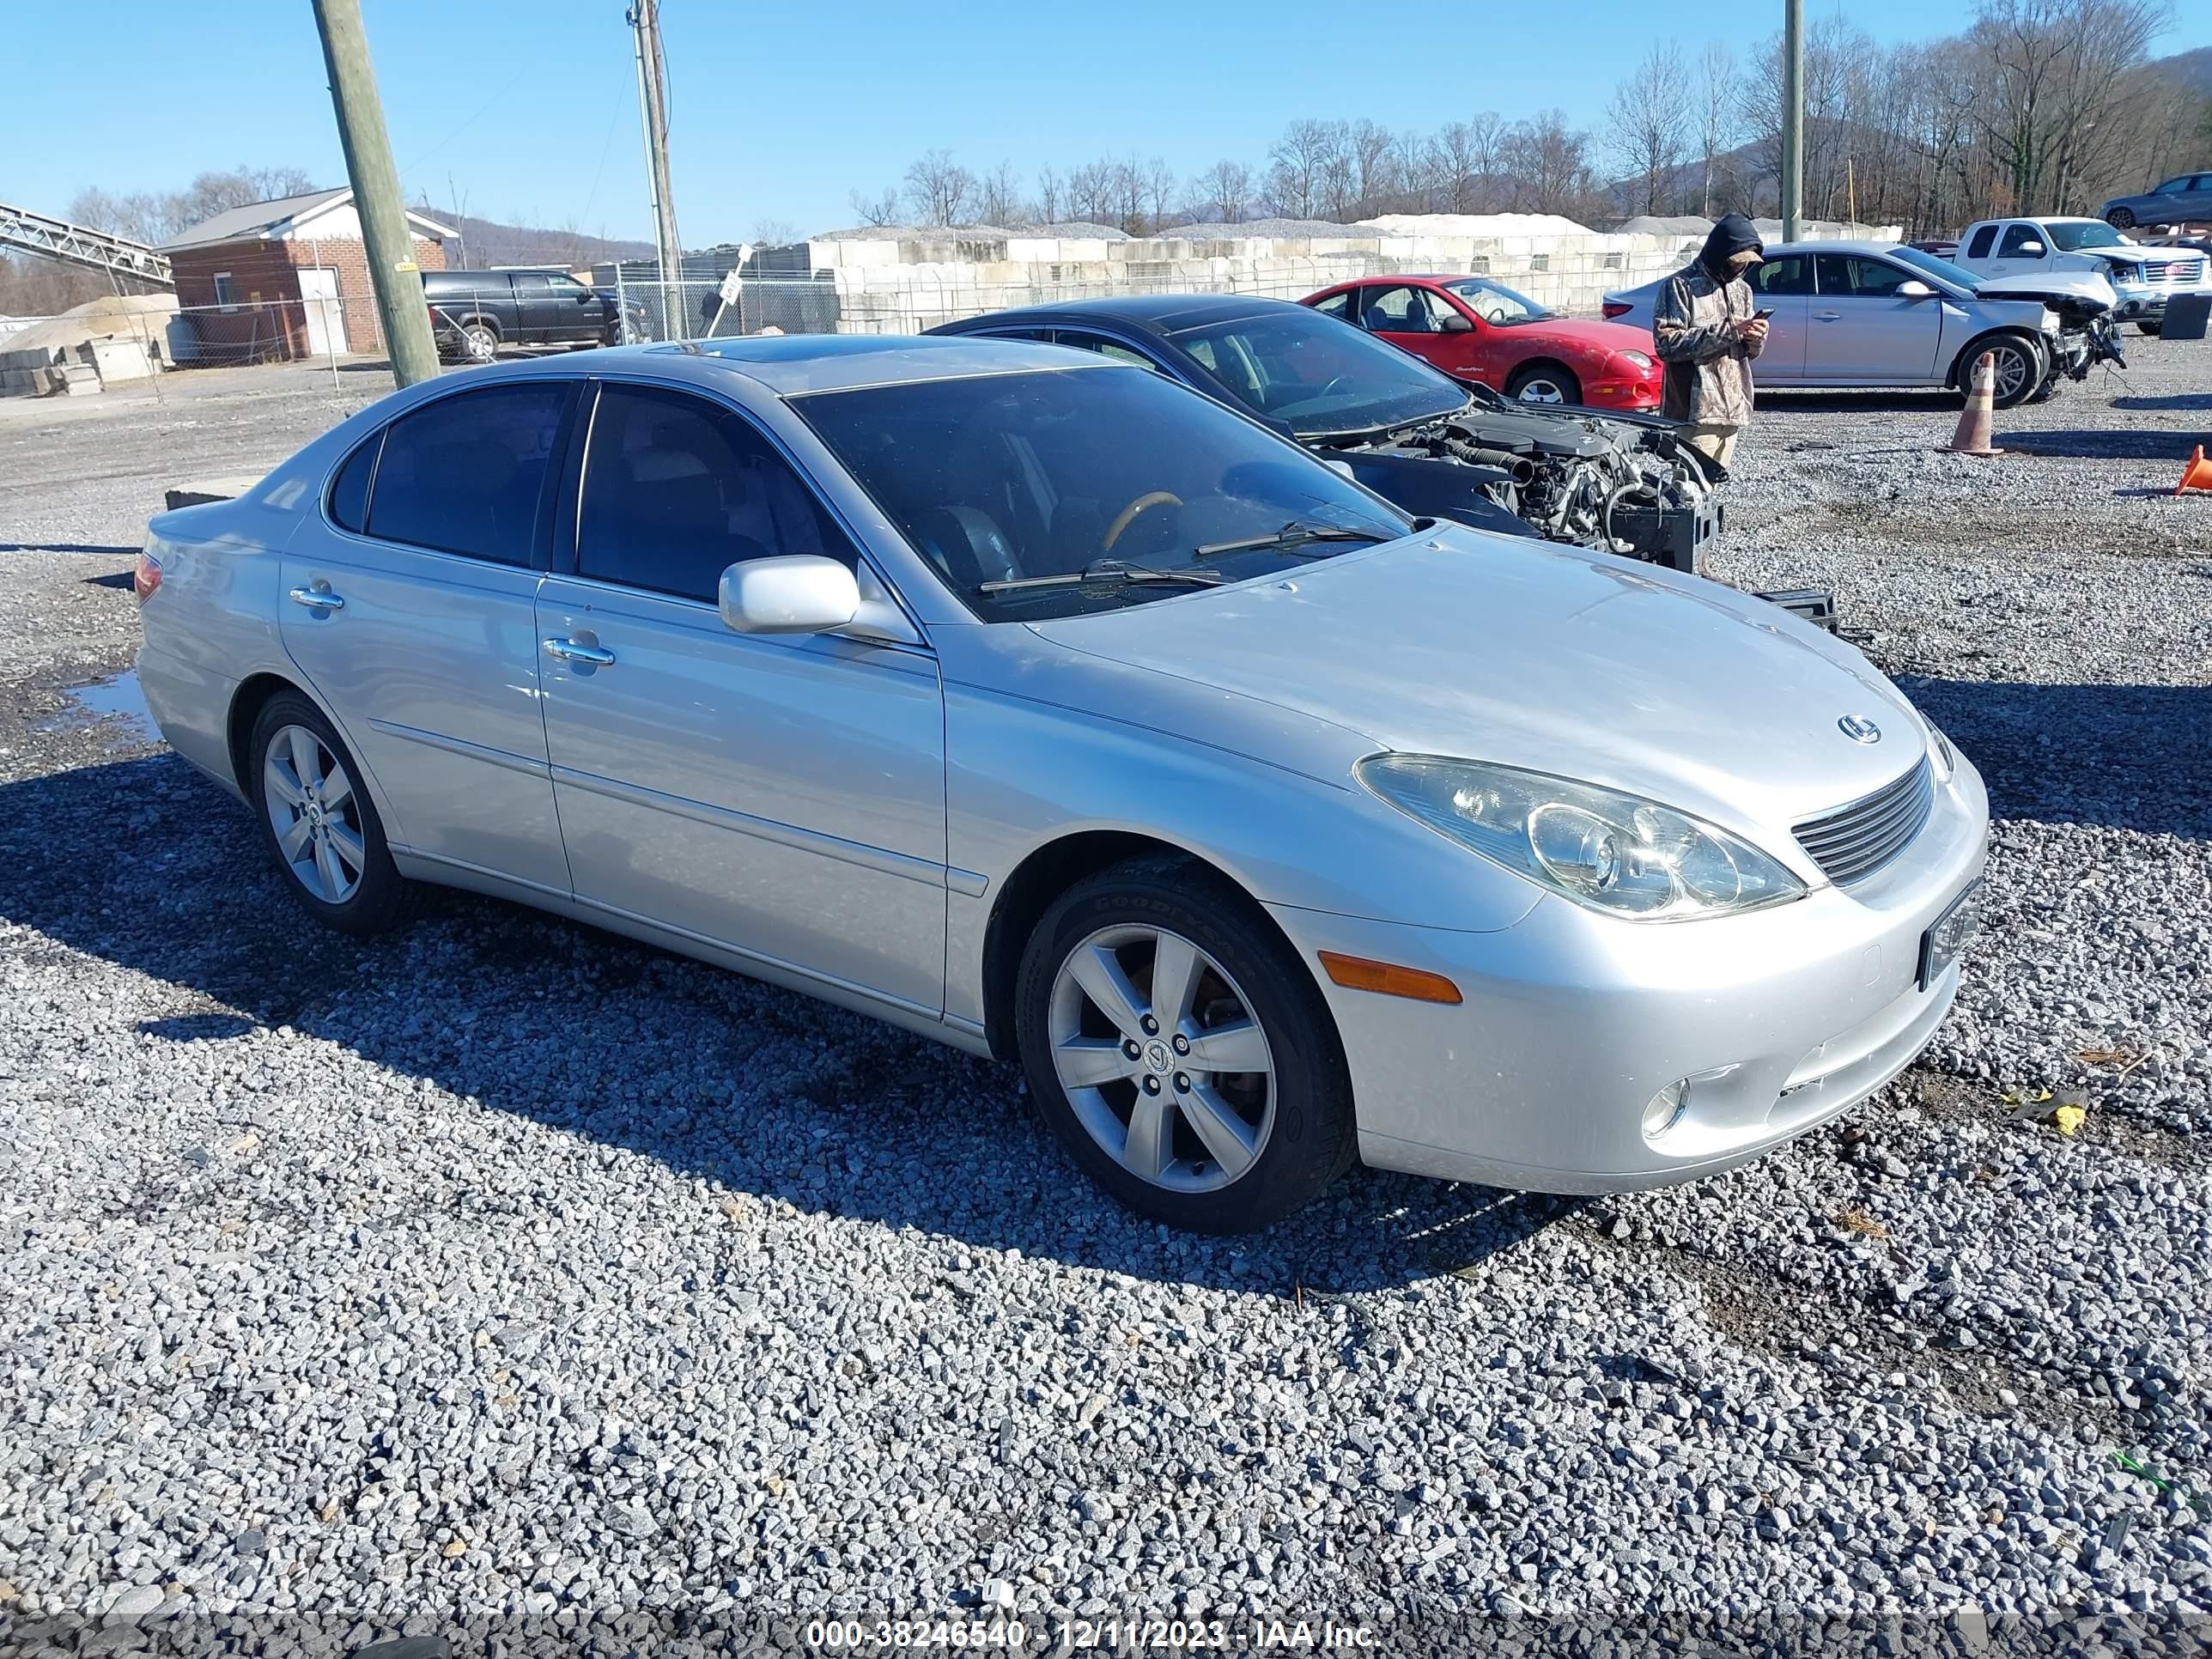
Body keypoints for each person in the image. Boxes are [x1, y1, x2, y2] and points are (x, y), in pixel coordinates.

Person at [1653, 213, 1770, 471]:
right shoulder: (1680, 286)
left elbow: (1747, 353)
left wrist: (1756, 338)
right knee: (1687, 491)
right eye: (1736, 261)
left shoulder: (1743, 291)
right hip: (1693, 412)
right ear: (1719, 253)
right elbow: (1667, 345)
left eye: (1747, 263)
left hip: (1733, 409)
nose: (1740, 268)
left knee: (1712, 490)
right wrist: (1730, 330)